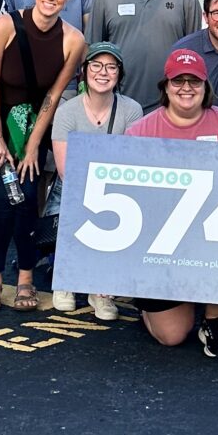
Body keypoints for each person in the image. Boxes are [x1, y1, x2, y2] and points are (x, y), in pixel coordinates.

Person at [125, 47, 218, 357]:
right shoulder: (140, 131)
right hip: (161, 242)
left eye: (194, 81)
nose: (186, 88)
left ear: (205, 86)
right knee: (172, 335)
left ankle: (213, 318)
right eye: (178, 81)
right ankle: (145, 303)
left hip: (212, 235)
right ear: (165, 86)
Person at [0, 0, 85, 313]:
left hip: (32, 128)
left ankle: (25, 278)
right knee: (4, 196)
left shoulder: (73, 40)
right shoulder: (6, 25)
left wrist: (34, 145)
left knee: (26, 198)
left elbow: (53, 96)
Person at [49, 41, 144, 317]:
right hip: (74, 185)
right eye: (96, 65)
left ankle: (101, 287)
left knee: (121, 211)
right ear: (85, 70)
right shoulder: (67, 111)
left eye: (111, 67)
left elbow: (132, 163)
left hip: (116, 187)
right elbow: (66, 170)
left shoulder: (132, 110)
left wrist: (110, 199)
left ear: (119, 74)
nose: (103, 72)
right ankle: (66, 277)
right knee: (72, 206)